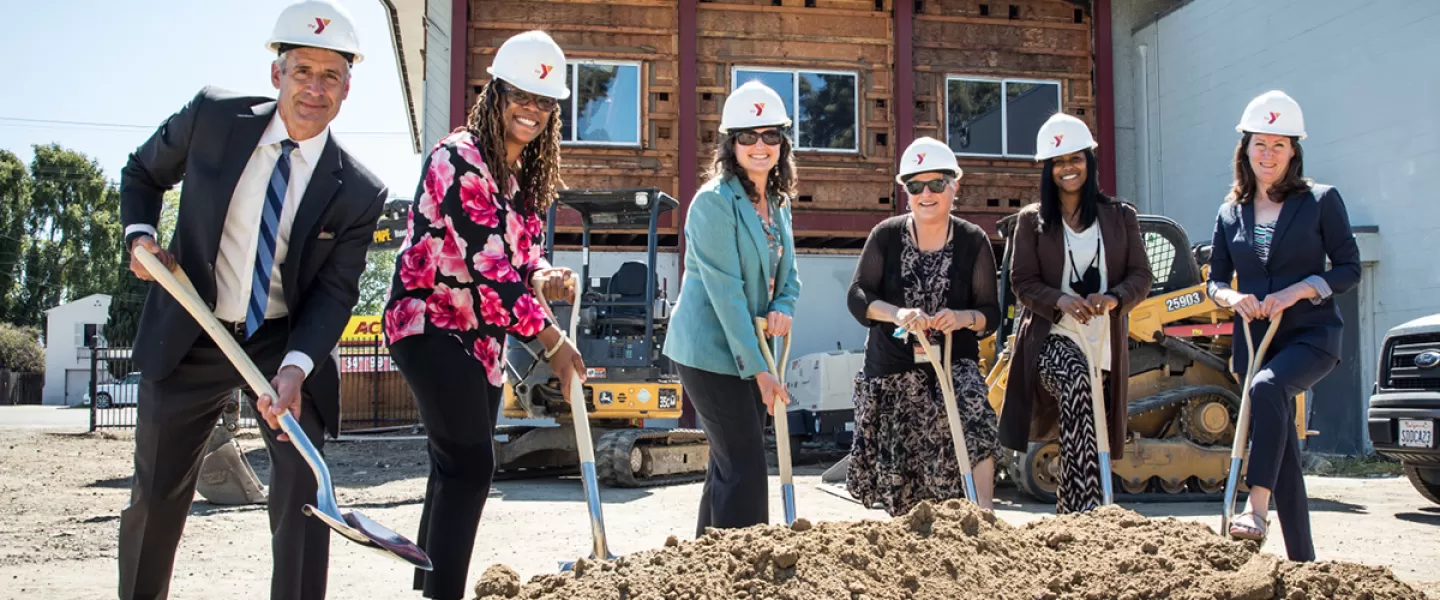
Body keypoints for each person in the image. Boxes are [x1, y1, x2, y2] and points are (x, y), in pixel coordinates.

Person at [116, 2, 386, 599]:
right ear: (276, 75)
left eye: (330, 77)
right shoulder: (213, 117)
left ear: (347, 88)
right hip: (193, 323)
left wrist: (295, 370)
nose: (314, 89)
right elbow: (140, 174)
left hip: (280, 340)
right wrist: (140, 236)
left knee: (302, 492)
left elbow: (336, 292)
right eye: (302, 72)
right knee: (156, 494)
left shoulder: (360, 191)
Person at [378, 30, 583, 600]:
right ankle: (442, 591)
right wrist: (554, 343)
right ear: (495, 91)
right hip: (431, 323)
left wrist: (543, 275)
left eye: (545, 101)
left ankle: (428, 586)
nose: (533, 110)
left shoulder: (525, 180)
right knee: (470, 465)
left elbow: (522, 257)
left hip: (484, 340)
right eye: (522, 94)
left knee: (453, 466)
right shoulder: (459, 158)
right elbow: (490, 268)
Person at [1208, 90, 1360, 560]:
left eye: (1279, 144)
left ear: (1293, 150)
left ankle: (1255, 509)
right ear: (1245, 149)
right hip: (1254, 341)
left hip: (1311, 336)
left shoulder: (1320, 200)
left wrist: (1300, 289)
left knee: (1268, 391)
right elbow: (1213, 280)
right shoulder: (1230, 211)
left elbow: (1349, 268)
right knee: (1285, 461)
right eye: (1259, 144)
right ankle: (1303, 565)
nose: (1267, 154)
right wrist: (1234, 298)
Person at [662, 80, 801, 537]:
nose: (760, 146)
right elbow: (728, 294)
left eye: (770, 136)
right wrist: (762, 370)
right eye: (747, 137)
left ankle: (706, 566)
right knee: (744, 462)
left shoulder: (776, 203)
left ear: (782, 142)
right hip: (708, 351)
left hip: (750, 345)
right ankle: (748, 567)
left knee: (728, 462)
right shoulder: (712, 203)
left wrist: (782, 305)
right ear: (731, 144)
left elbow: (791, 276)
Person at [998, 113, 1153, 515]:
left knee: (1094, 419)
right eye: (1058, 161)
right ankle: (1081, 510)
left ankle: (1085, 508)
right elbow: (1022, 281)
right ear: (1047, 169)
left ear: (1090, 161)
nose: (1068, 168)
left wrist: (1115, 298)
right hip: (1051, 338)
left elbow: (1141, 275)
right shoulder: (1032, 222)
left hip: (1103, 341)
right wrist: (1061, 300)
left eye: (1076, 159)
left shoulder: (1121, 217)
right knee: (1076, 381)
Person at [845, 137, 1003, 514]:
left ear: (954, 186)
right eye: (915, 186)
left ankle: (983, 513)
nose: (926, 194)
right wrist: (897, 314)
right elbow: (858, 295)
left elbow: (991, 313)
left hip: (954, 360)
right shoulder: (885, 235)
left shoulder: (973, 240)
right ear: (906, 192)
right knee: (906, 460)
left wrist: (963, 318)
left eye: (937, 184)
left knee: (976, 416)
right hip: (894, 364)